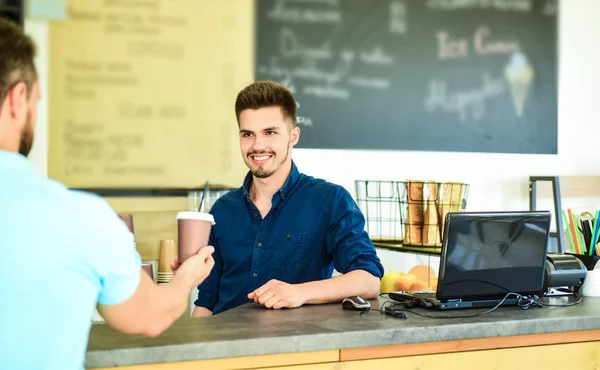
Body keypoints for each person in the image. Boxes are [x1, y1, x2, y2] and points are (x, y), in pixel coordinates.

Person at [0, 19, 215, 370]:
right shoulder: (80, 219)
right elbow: (151, 316)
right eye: (37, 102)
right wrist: (188, 276)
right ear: (18, 98)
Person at [192, 81, 384, 316]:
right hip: (226, 346)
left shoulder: (329, 200)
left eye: (270, 132)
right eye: (248, 134)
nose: (257, 145)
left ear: (293, 136)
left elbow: (369, 280)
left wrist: (299, 293)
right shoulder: (222, 210)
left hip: (297, 348)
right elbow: (206, 301)